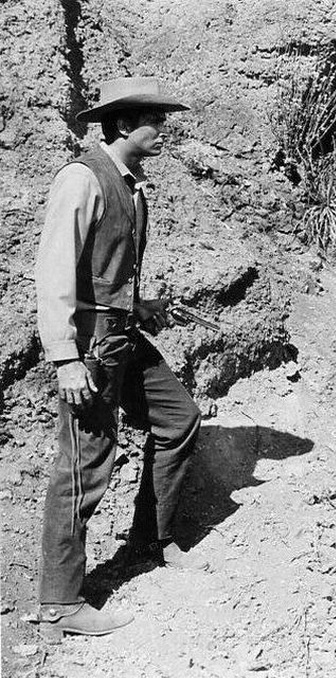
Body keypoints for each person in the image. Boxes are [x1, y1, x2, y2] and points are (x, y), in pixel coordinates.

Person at [34, 77, 201, 636]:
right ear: (124, 125)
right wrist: (65, 358)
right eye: (155, 120)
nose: (164, 130)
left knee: (178, 418)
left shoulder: (132, 186)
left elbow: (103, 271)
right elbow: (55, 272)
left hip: (121, 331)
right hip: (91, 345)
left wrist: (139, 304)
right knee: (84, 463)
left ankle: (149, 540)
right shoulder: (82, 178)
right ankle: (60, 603)